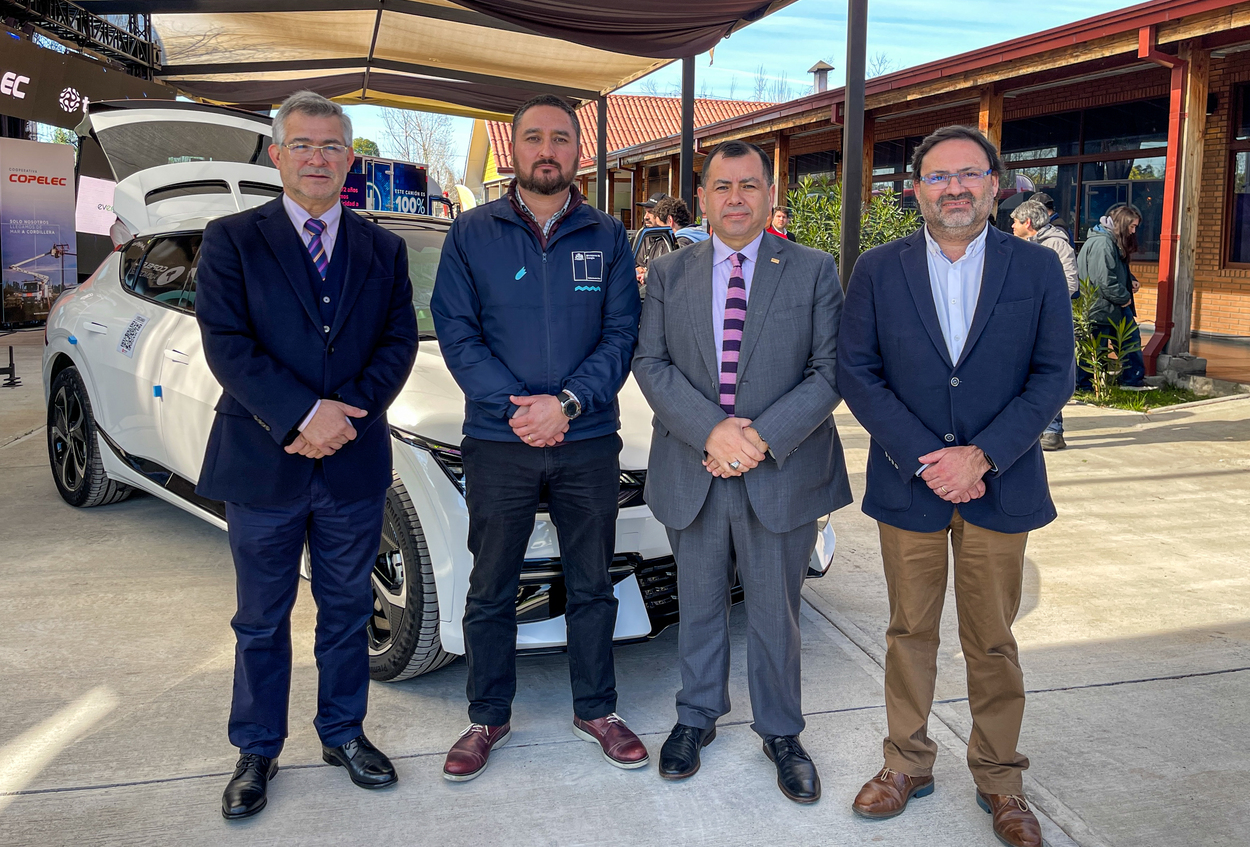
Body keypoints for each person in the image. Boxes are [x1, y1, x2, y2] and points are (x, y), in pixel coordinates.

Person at [837, 125, 1073, 847]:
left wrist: (984, 456)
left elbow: (1053, 375)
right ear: (916, 190)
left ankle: (1000, 776)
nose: (955, 188)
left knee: (992, 638)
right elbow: (858, 372)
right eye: (939, 177)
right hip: (909, 483)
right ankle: (906, 762)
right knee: (909, 630)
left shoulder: (1035, 268)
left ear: (995, 186)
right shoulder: (879, 269)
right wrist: (926, 457)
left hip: (1002, 482)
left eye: (970, 174)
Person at [196, 91, 419, 819]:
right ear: (276, 154)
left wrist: (344, 418)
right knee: (261, 617)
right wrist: (301, 414)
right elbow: (226, 343)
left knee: (347, 611)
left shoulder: (383, 248)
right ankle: (257, 748)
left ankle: (343, 733)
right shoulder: (231, 239)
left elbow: (398, 343)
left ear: (350, 159)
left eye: (331, 146)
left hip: (352, 463)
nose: (317, 158)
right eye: (302, 144)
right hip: (263, 461)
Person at [431, 94, 645, 782]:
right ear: (514, 149)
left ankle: (597, 710)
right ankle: (487, 716)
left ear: (579, 151)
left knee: (593, 584)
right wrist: (520, 411)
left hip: (588, 439)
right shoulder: (471, 233)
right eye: (533, 137)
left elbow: (621, 334)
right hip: (499, 442)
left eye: (559, 138)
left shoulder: (608, 236)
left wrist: (569, 405)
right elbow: (457, 332)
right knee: (490, 584)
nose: (546, 150)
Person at [633, 139, 850, 804]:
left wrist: (756, 439)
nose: (736, 198)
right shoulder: (669, 273)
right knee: (697, 604)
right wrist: (713, 431)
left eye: (749, 185)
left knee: (776, 614)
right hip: (693, 466)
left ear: (770, 194)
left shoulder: (813, 269)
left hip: (781, 471)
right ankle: (696, 716)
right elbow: (651, 363)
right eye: (722, 186)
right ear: (701, 197)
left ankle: (781, 731)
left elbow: (830, 371)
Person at [1011, 199, 1078, 450]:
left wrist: (1042, 302)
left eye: (1015, 221)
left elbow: (1070, 282)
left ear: (1028, 222)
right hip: (1022, 320)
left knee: (1046, 372)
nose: (1012, 226)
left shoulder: (1057, 245)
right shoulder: (1019, 246)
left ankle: (1053, 431)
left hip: (1047, 321)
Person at [1076, 203, 1148, 390]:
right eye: (1132, 226)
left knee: (1111, 345)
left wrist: (1130, 280)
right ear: (1122, 224)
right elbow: (1104, 280)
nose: (1133, 231)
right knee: (1101, 347)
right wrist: (1124, 297)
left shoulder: (1107, 240)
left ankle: (1126, 381)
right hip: (1103, 306)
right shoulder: (1103, 244)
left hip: (1107, 304)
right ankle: (1089, 386)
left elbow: (1109, 271)